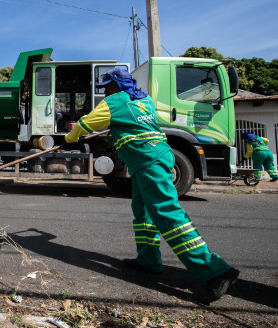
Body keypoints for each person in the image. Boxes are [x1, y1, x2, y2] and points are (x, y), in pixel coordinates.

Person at [63, 68, 239, 304]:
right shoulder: (144, 100)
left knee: (168, 214)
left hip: (148, 162)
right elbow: (136, 126)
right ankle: (149, 260)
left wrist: (69, 137)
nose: (105, 91)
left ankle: (216, 271)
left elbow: (82, 128)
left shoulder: (114, 102)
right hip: (155, 158)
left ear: (115, 87)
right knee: (143, 211)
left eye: (107, 87)